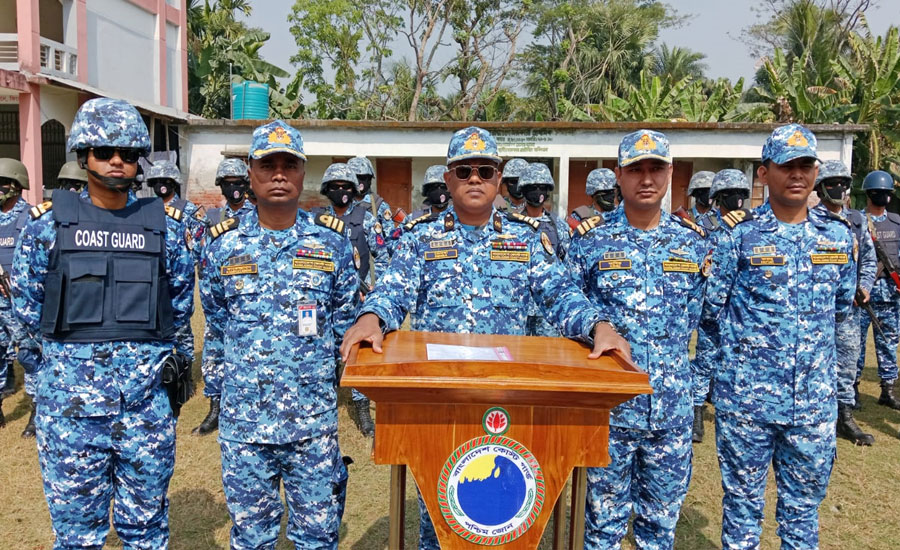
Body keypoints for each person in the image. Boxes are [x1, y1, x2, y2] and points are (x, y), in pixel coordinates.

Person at [338, 125, 630, 550]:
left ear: (498, 180)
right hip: (440, 400)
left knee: (505, 511)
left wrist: (596, 325)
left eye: (484, 171)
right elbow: (393, 291)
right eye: (464, 171)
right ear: (449, 179)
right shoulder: (422, 238)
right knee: (439, 518)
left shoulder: (526, 239)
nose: (474, 179)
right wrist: (371, 317)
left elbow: (561, 295)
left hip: (506, 400)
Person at [11, 98, 195, 548]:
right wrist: (58, 376)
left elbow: (180, 307)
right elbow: (26, 313)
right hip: (71, 414)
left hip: (145, 412)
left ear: (140, 162)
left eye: (129, 154)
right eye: (105, 151)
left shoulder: (165, 228)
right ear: (82, 155)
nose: (117, 161)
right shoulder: (46, 228)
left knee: (146, 534)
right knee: (77, 538)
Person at [200, 120, 356, 549]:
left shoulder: (331, 245)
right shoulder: (222, 246)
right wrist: (217, 394)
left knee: (319, 538)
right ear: (251, 171)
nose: (279, 174)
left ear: (304, 173)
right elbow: (216, 325)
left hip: (313, 425)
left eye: (290, 164)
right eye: (268, 165)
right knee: (252, 540)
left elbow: (346, 321)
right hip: (245, 427)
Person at [700, 124, 856, 550]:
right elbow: (712, 310)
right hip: (746, 403)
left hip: (811, 403)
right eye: (786, 165)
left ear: (816, 171)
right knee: (742, 507)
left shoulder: (837, 237)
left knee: (802, 512)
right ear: (764, 173)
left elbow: (841, 308)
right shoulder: (739, 236)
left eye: (806, 164)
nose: (797, 174)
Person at [568, 130, 710, 550]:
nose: (645, 179)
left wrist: (694, 389)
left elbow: (707, 322)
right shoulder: (589, 241)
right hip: (609, 411)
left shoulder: (694, 242)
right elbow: (570, 315)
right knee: (602, 527)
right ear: (619, 176)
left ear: (669, 173)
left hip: (671, 413)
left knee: (660, 527)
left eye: (655, 169)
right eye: (635, 170)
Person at [313, 162, 391, 437]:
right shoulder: (315, 220)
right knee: (321, 349)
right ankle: (323, 403)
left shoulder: (365, 218)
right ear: (326, 190)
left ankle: (361, 407)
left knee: (356, 352)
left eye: (346, 187)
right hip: (322, 297)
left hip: (356, 296)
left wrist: (372, 291)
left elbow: (381, 256)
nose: (341, 192)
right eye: (334, 187)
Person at [812, 160, 877, 445]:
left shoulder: (858, 222)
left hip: (849, 311)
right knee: (813, 362)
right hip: (815, 310)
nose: (839, 188)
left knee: (848, 363)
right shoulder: (809, 222)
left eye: (844, 183)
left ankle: (845, 416)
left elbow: (869, 260)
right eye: (832, 183)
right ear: (821, 189)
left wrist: (863, 287)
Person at [192, 157, 256, 437]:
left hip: (252, 297)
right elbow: (199, 254)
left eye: (238, 184)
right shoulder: (212, 218)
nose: (234, 189)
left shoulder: (260, 215)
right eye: (228, 184)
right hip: (219, 297)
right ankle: (215, 407)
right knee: (215, 352)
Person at [691, 169, 754, 443]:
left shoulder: (754, 225)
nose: (738, 200)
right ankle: (696, 412)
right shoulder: (703, 226)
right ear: (717, 197)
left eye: (742, 194)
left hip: (745, 310)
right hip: (712, 309)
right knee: (705, 361)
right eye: (731, 195)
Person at [856, 169, 900, 412]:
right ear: (869, 195)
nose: (882, 197)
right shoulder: (857, 221)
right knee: (857, 345)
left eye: (885, 193)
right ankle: (853, 388)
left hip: (891, 295)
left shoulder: (897, 224)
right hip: (863, 295)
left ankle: (887, 390)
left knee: (888, 343)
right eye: (878, 193)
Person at [518, 162, 572, 337]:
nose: (538, 192)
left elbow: (567, 267)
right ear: (524, 190)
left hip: (547, 309)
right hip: (520, 307)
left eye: (542, 187)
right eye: (533, 188)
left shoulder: (559, 227)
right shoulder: (512, 224)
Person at [0, 158, 32, 431]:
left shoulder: (31, 217)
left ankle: (35, 408)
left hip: (21, 301)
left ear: (16, 185)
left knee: (29, 352)